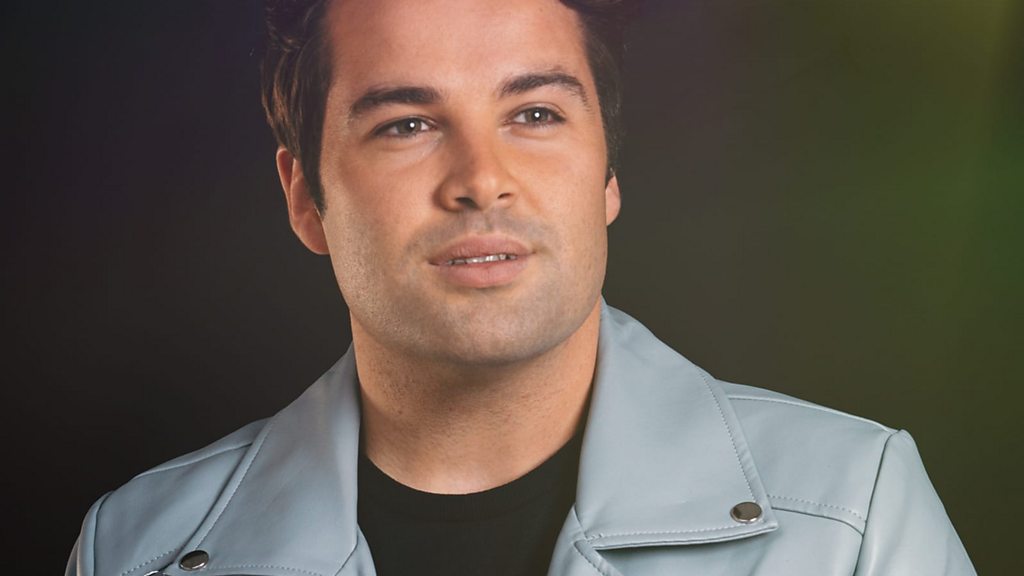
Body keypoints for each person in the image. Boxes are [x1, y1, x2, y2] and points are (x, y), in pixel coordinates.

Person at [67, 0, 976, 575]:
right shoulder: (133, 549)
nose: (482, 180)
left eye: (535, 113)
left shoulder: (854, 517)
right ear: (305, 197)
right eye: (407, 123)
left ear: (608, 176)